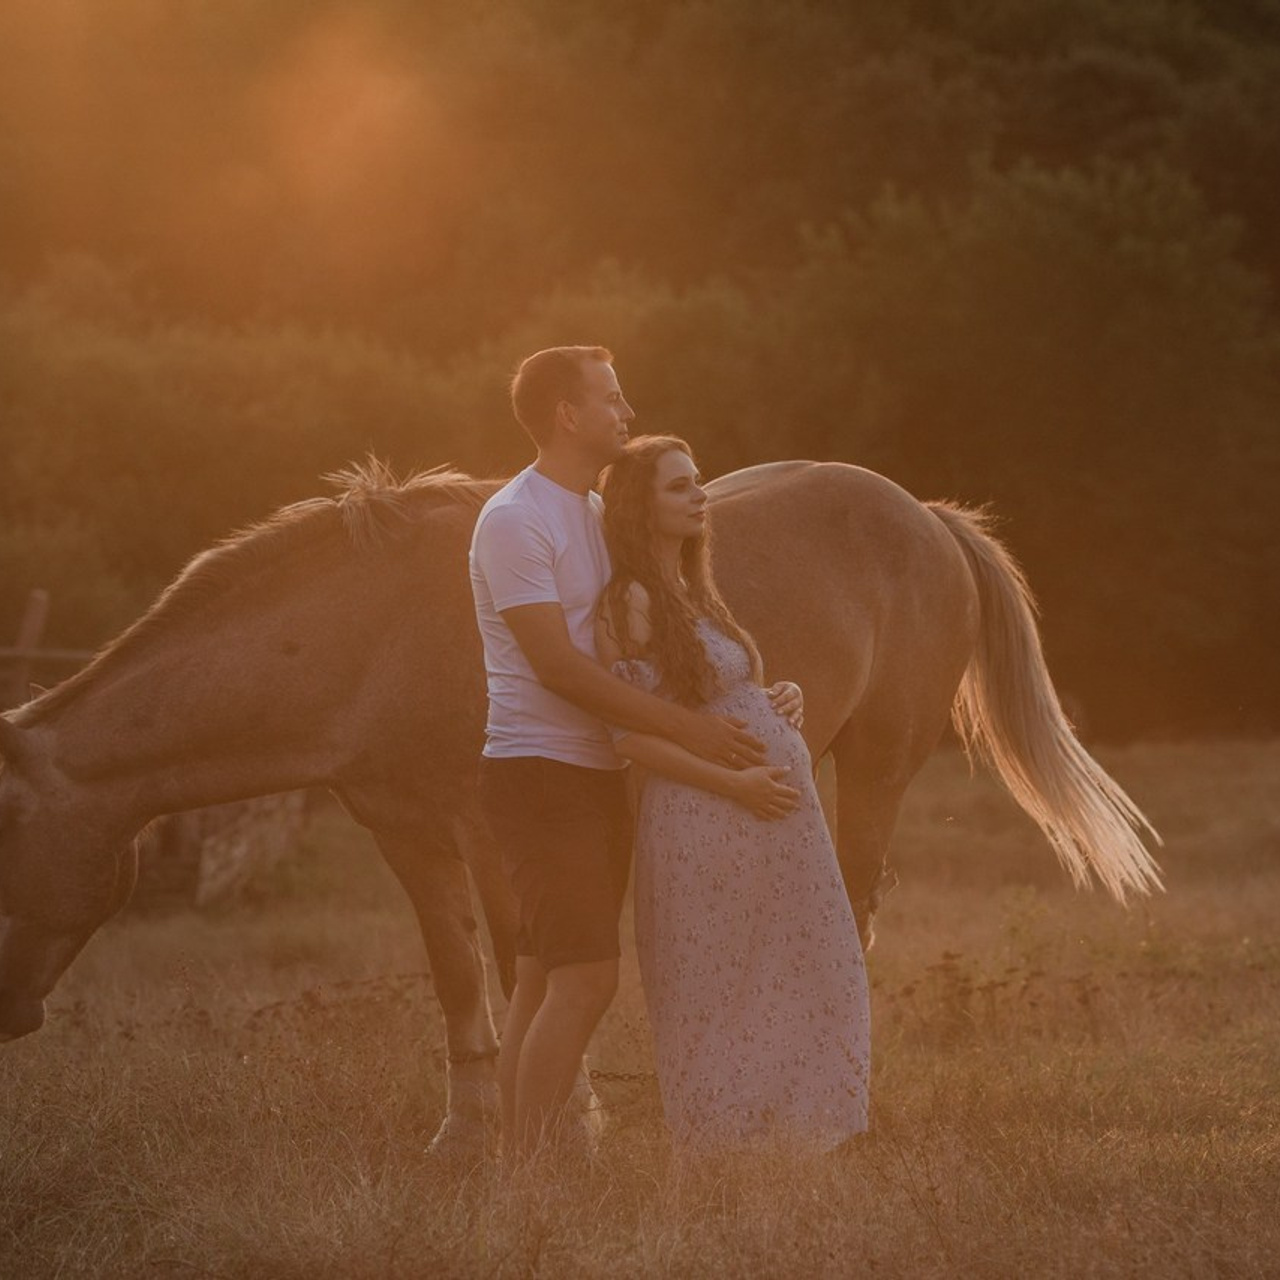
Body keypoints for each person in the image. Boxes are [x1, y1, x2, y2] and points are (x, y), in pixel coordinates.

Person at [469, 347, 801, 1158]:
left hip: (592, 772)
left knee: (543, 978)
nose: (628, 412)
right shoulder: (516, 518)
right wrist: (688, 731)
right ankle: (533, 1175)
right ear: (566, 416)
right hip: (539, 770)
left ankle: (517, 1167)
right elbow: (556, 665)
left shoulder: (588, 512)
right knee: (586, 979)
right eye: (612, 399)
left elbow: (651, 641)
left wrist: (756, 699)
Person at [594, 434, 871, 1151]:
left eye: (698, 483)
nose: (699, 497)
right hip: (706, 815)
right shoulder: (630, 600)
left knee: (809, 963)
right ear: (639, 506)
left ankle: (798, 1132)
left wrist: (779, 696)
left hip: (768, 814)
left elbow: (718, 694)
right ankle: (725, 1141)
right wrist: (733, 782)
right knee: (716, 978)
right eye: (680, 487)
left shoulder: (693, 588)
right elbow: (627, 737)